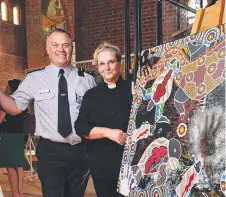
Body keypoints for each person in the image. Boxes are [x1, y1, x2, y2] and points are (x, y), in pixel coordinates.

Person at [0, 28, 96, 197]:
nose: (61, 49)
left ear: (71, 48)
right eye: (55, 44)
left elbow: (98, 113)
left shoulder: (87, 79)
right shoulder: (34, 79)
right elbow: (15, 107)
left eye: (66, 45)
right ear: (47, 48)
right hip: (51, 152)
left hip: (81, 152)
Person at [74, 42, 133, 197]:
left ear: (119, 63)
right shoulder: (91, 95)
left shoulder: (134, 89)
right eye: (101, 64)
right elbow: (80, 127)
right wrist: (108, 132)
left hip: (130, 164)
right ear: (97, 67)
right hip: (101, 165)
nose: (106, 68)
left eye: (111, 62)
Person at [0, 79, 27, 197]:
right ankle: (20, 193)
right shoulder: (22, 101)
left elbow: (0, 119)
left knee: (10, 166)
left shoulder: (8, 101)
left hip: (8, 136)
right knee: (19, 165)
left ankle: (15, 194)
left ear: (11, 88)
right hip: (19, 135)